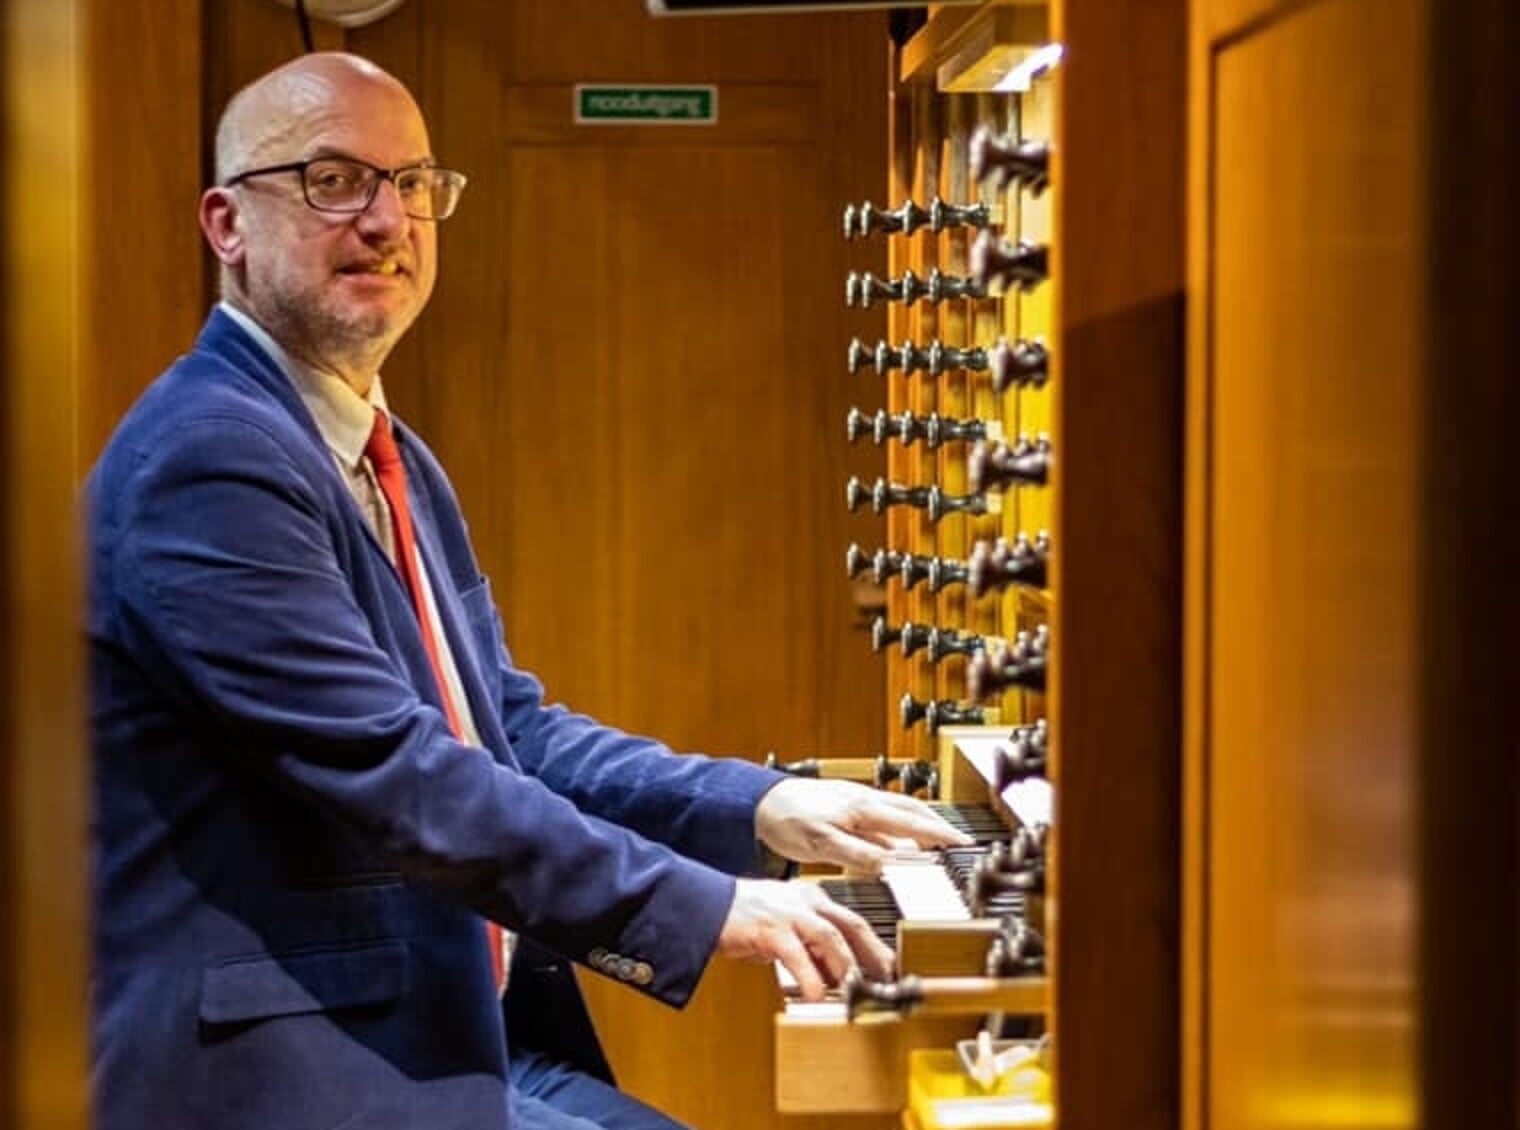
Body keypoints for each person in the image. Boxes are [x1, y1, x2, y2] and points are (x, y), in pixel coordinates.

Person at [85, 51, 969, 1130]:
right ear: (226, 223)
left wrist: (762, 807)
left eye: (414, 185)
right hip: (294, 1065)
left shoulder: (374, 445)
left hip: (444, 1022)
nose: (386, 219)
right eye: (331, 180)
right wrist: (712, 905)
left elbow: (505, 728)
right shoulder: (210, 458)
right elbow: (397, 775)